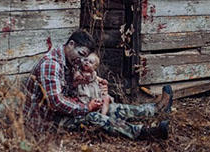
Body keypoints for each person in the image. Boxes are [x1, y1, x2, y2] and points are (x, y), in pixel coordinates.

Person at [23, 29, 172, 140]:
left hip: (66, 112)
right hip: (49, 123)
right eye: (81, 54)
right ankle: (142, 132)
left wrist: (98, 87)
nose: (82, 60)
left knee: (111, 108)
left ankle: (155, 110)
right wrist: (87, 107)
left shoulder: (70, 61)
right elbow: (56, 102)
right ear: (71, 44)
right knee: (95, 117)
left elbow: (77, 86)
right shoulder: (51, 64)